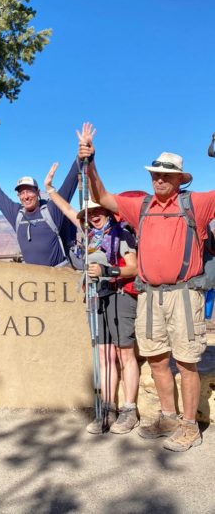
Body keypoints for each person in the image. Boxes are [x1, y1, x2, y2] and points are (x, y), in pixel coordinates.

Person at [78, 123, 215, 452]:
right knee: (156, 359)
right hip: (149, 295)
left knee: (186, 362)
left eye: (166, 175)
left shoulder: (196, 203)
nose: (158, 179)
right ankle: (167, 416)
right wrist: (90, 161)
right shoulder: (141, 207)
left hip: (184, 294)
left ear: (180, 179)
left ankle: (188, 425)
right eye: (154, 174)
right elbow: (102, 197)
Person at [44, 161, 140, 434]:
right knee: (103, 352)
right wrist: (50, 189)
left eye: (98, 210)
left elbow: (133, 266)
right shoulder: (87, 232)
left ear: (106, 211)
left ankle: (129, 410)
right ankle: (107, 407)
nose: (94, 215)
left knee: (124, 353)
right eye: (90, 212)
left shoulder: (120, 233)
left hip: (120, 294)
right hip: (96, 296)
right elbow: (67, 209)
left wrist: (108, 270)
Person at [0, 137, 81, 266]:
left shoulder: (52, 210)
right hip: (31, 278)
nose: (25, 196)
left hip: (58, 277)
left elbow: (69, 183)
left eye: (29, 191)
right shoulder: (16, 214)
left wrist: (81, 156)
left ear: (37, 192)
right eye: (21, 192)